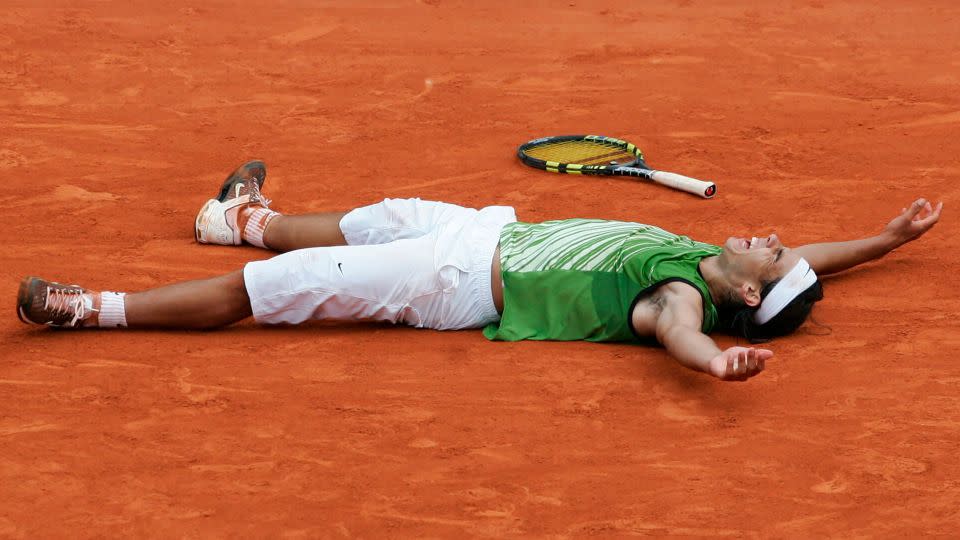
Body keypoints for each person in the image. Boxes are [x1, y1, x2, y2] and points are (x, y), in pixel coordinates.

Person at [17, 161, 943, 382]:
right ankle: (235, 219)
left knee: (279, 295)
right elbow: (812, 265)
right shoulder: (726, 266)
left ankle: (92, 309)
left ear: (743, 292)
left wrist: (717, 365)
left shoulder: (679, 296)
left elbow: (679, 334)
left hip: (451, 285)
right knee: (373, 214)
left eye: (770, 253)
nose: (776, 236)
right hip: (486, 229)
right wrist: (889, 239)